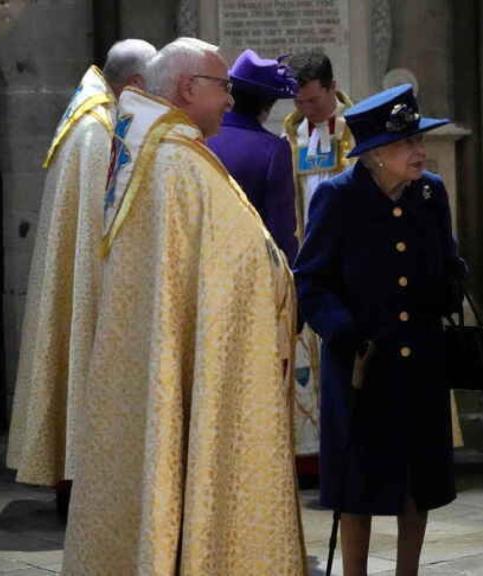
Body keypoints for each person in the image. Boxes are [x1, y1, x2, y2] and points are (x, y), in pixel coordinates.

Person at [61, 37, 307, 575]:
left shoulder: (155, 154)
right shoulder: (177, 164)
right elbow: (236, 264)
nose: (228, 99)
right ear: (188, 88)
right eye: (221, 87)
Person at [294, 84, 465, 576]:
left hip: (420, 359)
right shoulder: (338, 197)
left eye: (418, 141)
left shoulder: (431, 193)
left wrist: (451, 283)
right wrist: (343, 333)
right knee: (359, 487)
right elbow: (312, 279)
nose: (419, 152)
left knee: (419, 480)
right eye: (405, 144)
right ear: (373, 155)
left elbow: (446, 260)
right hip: (363, 364)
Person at [6, 39, 156, 511]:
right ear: (133, 85)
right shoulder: (96, 131)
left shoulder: (92, 115)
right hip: (92, 286)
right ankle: (84, 488)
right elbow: (100, 229)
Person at [283, 49, 356, 482]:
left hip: (345, 263)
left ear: (331, 88)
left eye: (313, 100)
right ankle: (312, 456)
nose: (306, 109)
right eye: (299, 103)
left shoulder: (354, 130)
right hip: (307, 259)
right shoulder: (291, 136)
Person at [207, 49, 299, 264]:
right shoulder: (273, 150)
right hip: (248, 269)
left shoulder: (198, 137)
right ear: (267, 106)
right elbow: (281, 232)